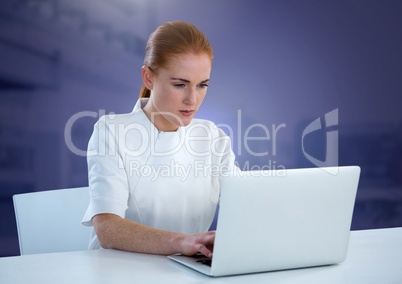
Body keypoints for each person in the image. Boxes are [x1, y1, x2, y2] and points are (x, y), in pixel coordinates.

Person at [81, 21, 237, 258]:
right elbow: (107, 228)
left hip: (187, 271)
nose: (192, 100)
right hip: (116, 271)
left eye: (202, 85)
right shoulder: (111, 131)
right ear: (148, 78)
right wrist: (181, 242)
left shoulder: (212, 138)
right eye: (179, 85)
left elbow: (246, 202)